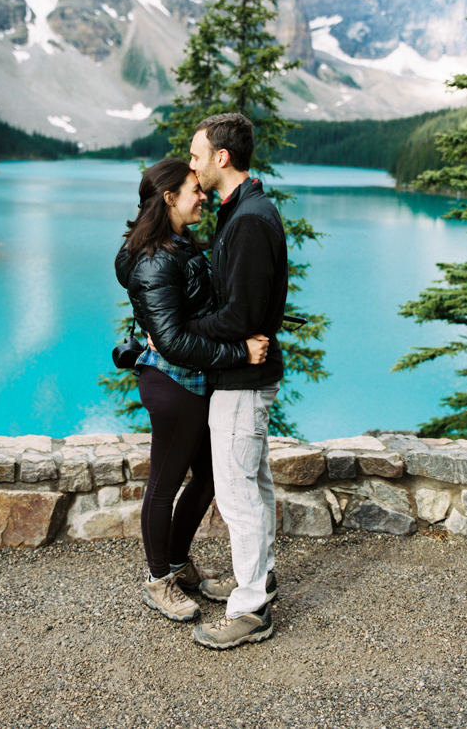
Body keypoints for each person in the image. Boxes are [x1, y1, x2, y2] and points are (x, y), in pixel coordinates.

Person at [115, 157, 269, 624]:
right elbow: (175, 342)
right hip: (173, 386)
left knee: (207, 479)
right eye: (192, 190)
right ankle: (157, 580)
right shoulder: (156, 258)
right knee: (163, 485)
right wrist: (240, 353)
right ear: (168, 199)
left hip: (193, 384)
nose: (202, 195)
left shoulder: (176, 243)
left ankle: (179, 564)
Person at [184, 113, 289, 650]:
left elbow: (240, 317)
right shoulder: (241, 211)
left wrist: (176, 331)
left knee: (237, 492)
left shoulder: (248, 220)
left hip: (242, 379)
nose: (192, 166)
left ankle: (250, 609)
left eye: (197, 156)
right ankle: (261, 577)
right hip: (244, 374)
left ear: (222, 158)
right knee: (256, 483)